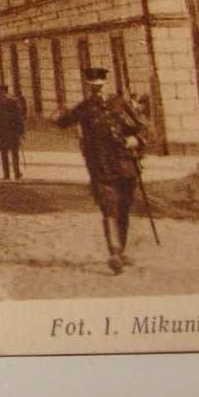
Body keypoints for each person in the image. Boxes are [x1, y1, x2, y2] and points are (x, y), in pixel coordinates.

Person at [57, 67, 145, 274]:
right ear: (87, 87)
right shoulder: (84, 108)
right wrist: (65, 111)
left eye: (99, 86)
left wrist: (136, 140)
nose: (96, 90)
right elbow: (62, 123)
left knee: (124, 208)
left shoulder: (120, 103)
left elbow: (142, 127)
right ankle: (114, 252)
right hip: (101, 167)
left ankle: (121, 251)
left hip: (126, 165)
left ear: (106, 84)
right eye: (92, 87)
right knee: (109, 208)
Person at [0, 83, 26, 180]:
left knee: (10, 153)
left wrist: (21, 131)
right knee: (8, 153)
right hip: (6, 131)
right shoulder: (1, 103)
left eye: (0, 91)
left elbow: (18, 117)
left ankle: (12, 173)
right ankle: (11, 173)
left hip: (7, 131)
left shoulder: (3, 102)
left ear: (3, 91)